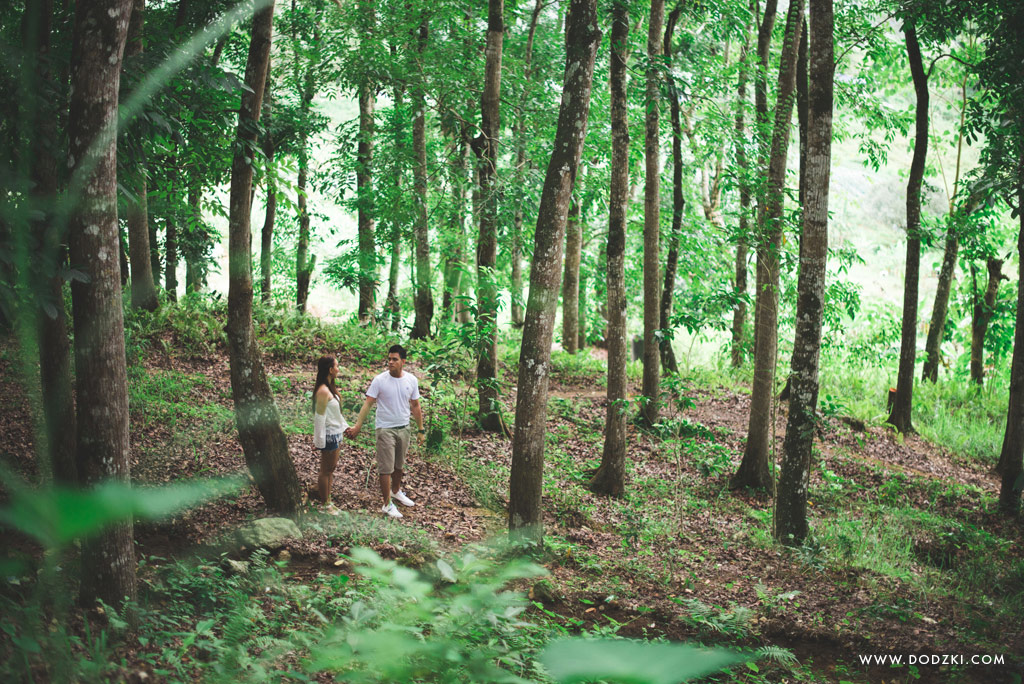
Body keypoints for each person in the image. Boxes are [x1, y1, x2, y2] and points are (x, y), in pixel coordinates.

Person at [345, 344, 424, 519]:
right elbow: (368, 403)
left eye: (395, 359)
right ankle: (387, 504)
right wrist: (357, 426)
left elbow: (415, 405)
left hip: (404, 428)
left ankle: (396, 491)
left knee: (399, 465)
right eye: (389, 359)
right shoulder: (380, 380)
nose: (390, 362)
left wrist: (421, 429)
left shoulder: (411, 380)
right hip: (385, 428)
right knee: (386, 467)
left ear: (403, 361)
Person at [312, 356, 349, 514]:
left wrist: (346, 428)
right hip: (328, 436)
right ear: (330, 369)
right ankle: (325, 505)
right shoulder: (323, 391)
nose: (338, 369)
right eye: (337, 366)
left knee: (330, 470)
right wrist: (319, 442)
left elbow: (336, 415)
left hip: (336, 434)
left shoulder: (330, 389)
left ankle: (328, 501)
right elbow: (319, 418)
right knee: (325, 471)